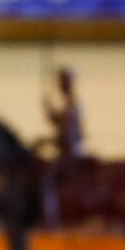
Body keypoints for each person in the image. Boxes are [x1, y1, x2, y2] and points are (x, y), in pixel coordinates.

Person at [37, 67, 85, 228]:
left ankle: (50, 217)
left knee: (46, 178)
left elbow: (66, 132)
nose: (60, 86)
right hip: (67, 150)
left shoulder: (72, 104)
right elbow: (58, 122)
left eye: (63, 82)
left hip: (70, 153)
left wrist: (47, 141)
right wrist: (48, 108)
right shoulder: (69, 104)